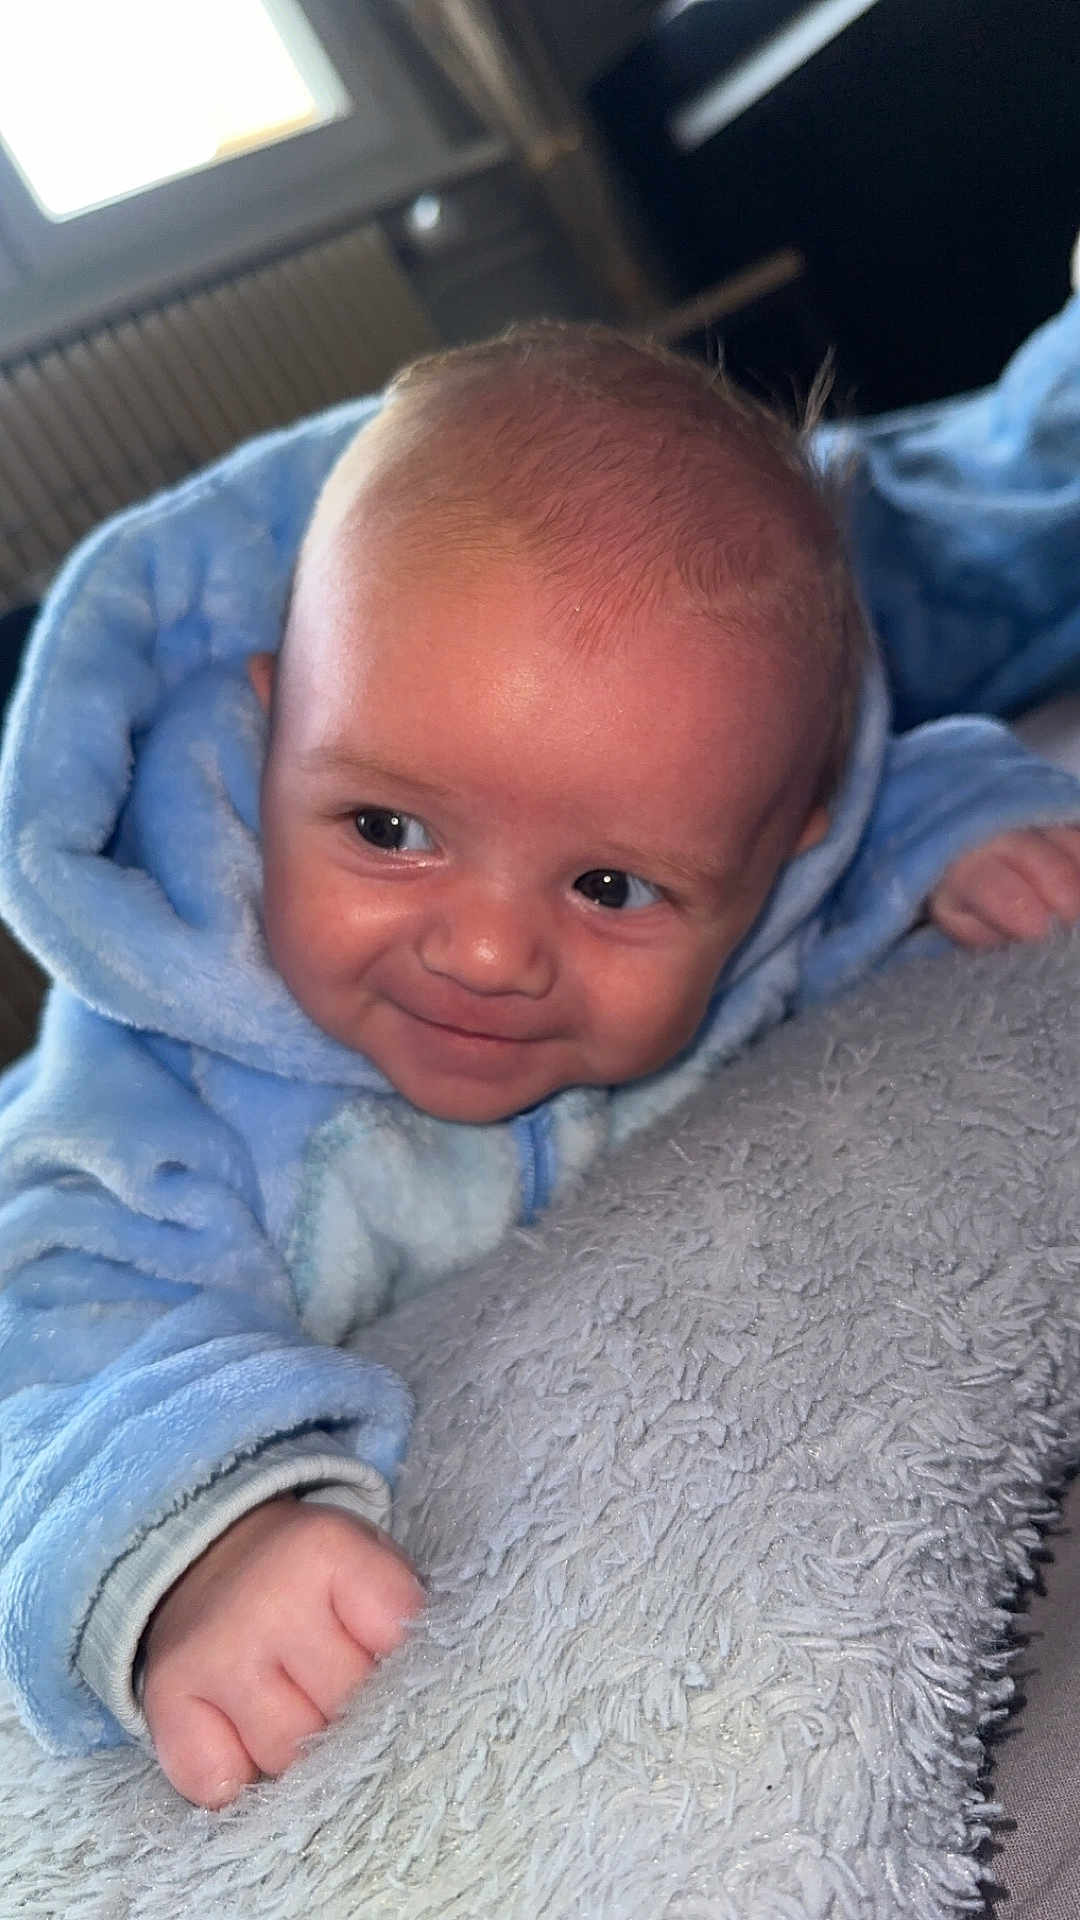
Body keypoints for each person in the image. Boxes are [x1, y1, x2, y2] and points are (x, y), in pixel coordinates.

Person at [1, 321, 1079, 1812]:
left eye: (609, 887)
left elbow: (878, 813)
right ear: (267, 732)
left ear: (777, 857)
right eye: (388, 830)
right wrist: (193, 1536)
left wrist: (974, 827)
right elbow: (53, 1308)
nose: (491, 955)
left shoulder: (769, 872)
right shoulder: (170, 1073)